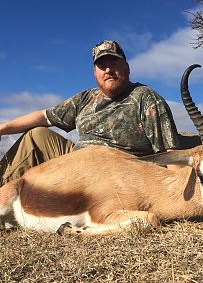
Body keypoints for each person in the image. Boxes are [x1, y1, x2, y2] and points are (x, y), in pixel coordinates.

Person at [0, 40, 180, 186]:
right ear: (95, 72)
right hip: (75, 160)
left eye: (114, 62)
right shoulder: (86, 97)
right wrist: (2, 128)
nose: (108, 70)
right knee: (36, 135)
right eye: (102, 65)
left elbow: (171, 155)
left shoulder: (146, 98)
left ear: (127, 67)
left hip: (113, 175)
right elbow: (44, 116)